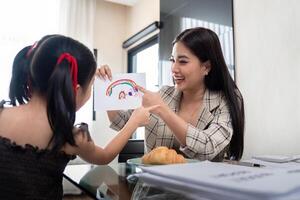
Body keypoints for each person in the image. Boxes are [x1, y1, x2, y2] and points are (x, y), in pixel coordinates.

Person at [0, 35, 156, 200]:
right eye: (90, 87)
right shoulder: (70, 136)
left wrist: (90, 79)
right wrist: (134, 122)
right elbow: (105, 156)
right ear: (74, 89)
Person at [98, 27, 244, 162]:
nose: (174, 68)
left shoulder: (227, 100)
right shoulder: (163, 94)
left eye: (183, 61)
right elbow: (121, 122)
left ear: (206, 67)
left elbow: (207, 149)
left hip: (202, 187)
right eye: (172, 60)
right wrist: (106, 87)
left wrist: (163, 110)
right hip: (156, 186)